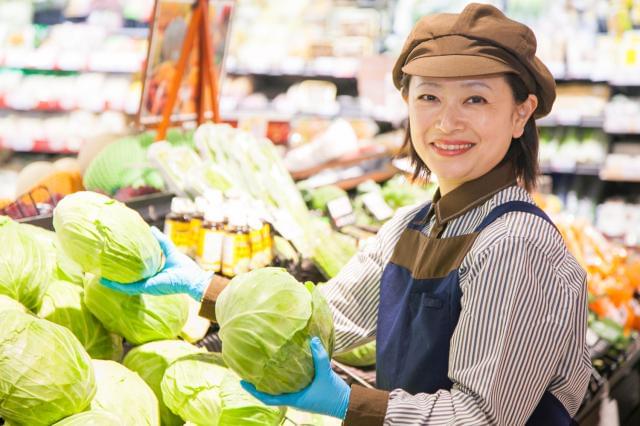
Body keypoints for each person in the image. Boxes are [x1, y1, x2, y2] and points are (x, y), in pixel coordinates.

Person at [101, 3, 591, 425]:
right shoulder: (413, 225)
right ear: (406, 104)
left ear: (521, 113)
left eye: (475, 98)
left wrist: (348, 404)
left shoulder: (516, 245)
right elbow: (324, 320)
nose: (446, 121)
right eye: (429, 97)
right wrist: (202, 287)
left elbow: (480, 419)